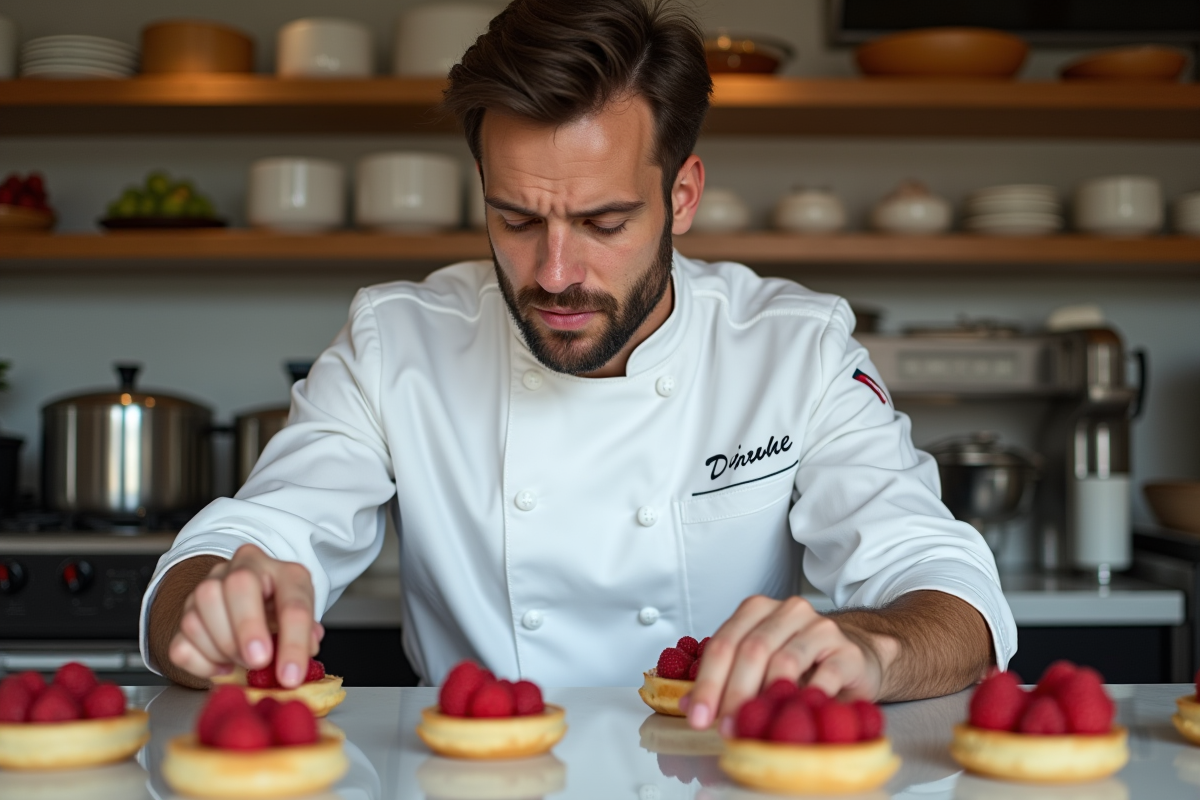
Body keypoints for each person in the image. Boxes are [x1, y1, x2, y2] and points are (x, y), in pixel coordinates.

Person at [141, 0, 1015, 735]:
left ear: (683, 195)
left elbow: (944, 586)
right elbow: (248, 538)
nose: (555, 274)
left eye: (603, 223)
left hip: (721, 779)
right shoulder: (395, 341)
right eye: (517, 220)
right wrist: (217, 602)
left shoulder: (794, 347)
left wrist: (873, 648)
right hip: (473, 779)